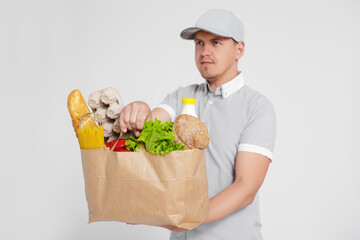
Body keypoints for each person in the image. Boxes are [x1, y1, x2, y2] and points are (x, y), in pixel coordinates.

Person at [119, 9, 276, 240]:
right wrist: (140, 110)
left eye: (215, 42)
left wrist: (189, 217)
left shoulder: (257, 107)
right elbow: (150, 125)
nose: (205, 51)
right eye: (199, 43)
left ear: (239, 49)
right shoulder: (180, 96)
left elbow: (245, 189)